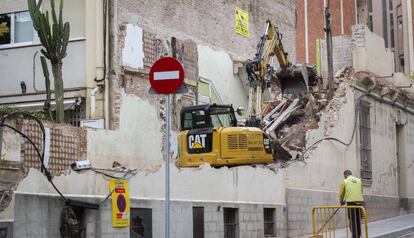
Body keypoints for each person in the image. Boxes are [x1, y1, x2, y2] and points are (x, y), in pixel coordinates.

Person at [338, 170, 365, 238]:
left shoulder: (345, 181)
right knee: (358, 220)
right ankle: (358, 235)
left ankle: (354, 236)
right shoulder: (359, 180)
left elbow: (341, 194)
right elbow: (361, 191)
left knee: (353, 220)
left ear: (345, 175)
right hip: (360, 204)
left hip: (351, 204)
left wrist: (341, 201)